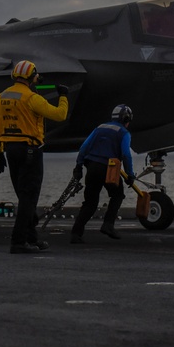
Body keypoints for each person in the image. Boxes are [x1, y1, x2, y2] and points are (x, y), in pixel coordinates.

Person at [0, 60, 69, 254]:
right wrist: (64, 96)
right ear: (31, 76)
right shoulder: (32, 98)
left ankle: (32, 239)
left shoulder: (2, 97)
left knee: (24, 195)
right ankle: (18, 242)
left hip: (10, 150)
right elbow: (60, 115)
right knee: (28, 197)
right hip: (30, 151)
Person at [69, 104, 134, 244]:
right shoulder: (124, 132)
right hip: (110, 169)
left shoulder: (99, 127)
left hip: (91, 167)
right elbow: (126, 154)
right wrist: (130, 175)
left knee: (90, 203)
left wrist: (78, 167)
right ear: (126, 118)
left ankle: (76, 234)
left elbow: (84, 147)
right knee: (117, 195)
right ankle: (108, 225)